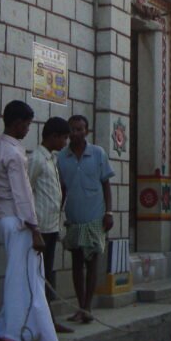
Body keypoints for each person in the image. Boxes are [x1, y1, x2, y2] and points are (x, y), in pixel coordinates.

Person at [0, 81, 61, 341]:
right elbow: (23, 195)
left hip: (5, 221)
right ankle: (18, 333)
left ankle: (9, 330)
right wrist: (35, 230)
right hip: (19, 221)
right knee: (24, 280)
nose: (27, 130)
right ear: (17, 123)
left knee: (18, 276)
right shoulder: (14, 154)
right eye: (26, 124)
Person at [57, 115, 115, 324]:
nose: (76, 133)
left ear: (86, 132)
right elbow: (61, 190)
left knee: (92, 262)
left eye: (80, 129)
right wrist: (57, 214)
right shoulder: (62, 158)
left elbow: (106, 186)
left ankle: (88, 307)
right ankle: (80, 306)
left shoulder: (98, 153)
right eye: (72, 129)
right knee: (76, 262)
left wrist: (109, 213)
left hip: (95, 218)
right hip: (74, 217)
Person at [28, 116, 73, 334]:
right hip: (40, 229)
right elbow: (25, 191)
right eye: (64, 138)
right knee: (39, 277)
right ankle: (41, 322)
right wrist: (32, 227)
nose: (65, 143)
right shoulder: (36, 159)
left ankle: (47, 321)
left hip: (51, 227)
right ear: (53, 137)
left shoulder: (51, 159)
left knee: (46, 275)